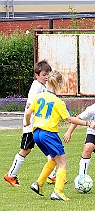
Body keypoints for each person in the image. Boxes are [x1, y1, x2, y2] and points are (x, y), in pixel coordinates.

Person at [25, 71, 95, 201]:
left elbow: (28, 112)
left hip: (36, 134)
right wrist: (88, 123)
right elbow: (69, 119)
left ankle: (38, 183)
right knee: (62, 163)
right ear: (59, 84)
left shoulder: (39, 96)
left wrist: (26, 123)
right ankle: (57, 191)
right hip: (49, 134)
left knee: (54, 158)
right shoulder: (58, 102)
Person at [4, 59, 57, 187]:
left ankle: (53, 175)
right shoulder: (36, 86)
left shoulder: (43, 87)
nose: (46, 77)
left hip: (40, 125)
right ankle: (10, 175)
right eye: (44, 75)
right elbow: (29, 105)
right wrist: (27, 122)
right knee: (25, 150)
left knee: (49, 148)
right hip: (31, 126)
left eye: (47, 75)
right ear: (37, 75)